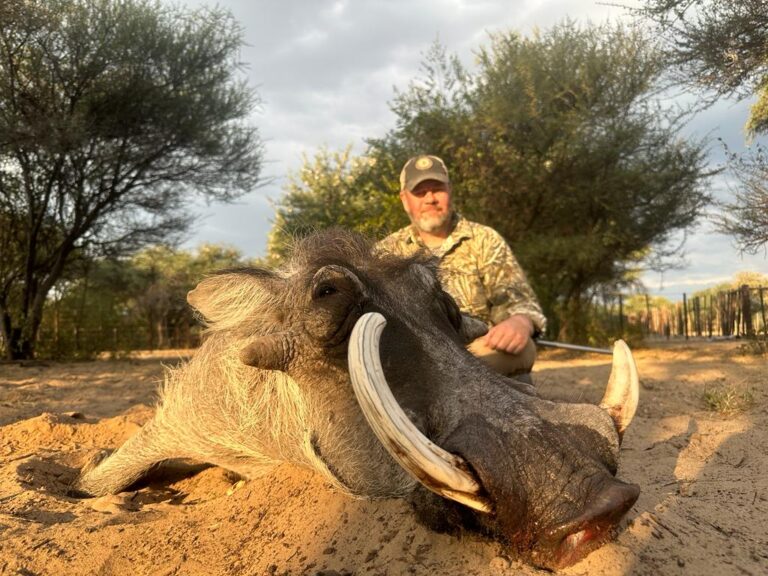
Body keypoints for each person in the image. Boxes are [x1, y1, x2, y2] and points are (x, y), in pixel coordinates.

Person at [378, 154, 546, 376]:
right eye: (419, 192)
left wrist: (520, 322)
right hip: (414, 361)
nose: (430, 199)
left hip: (478, 353)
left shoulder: (485, 239)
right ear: (404, 199)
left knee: (522, 348)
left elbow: (521, 302)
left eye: (437, 189)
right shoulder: (385, 252)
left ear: (450, 191)